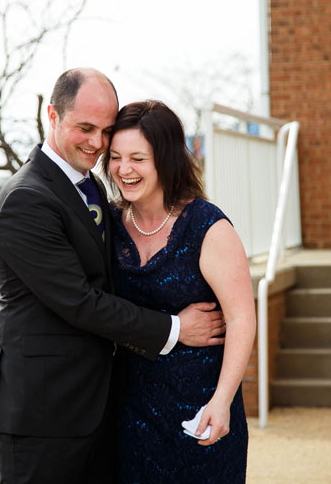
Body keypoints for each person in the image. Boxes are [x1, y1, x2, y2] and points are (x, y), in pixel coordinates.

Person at [0, 68, 227, 484]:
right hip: (43, 411)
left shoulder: (90, 186)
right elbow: (80, 301)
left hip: (98, 405)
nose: (96, 143)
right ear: (52, 116)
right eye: (85, 127)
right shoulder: (27, 198)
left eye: (106, 131)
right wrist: (175, 328)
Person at [105, 100, 255, 483]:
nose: (124, 169)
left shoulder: (207, 226)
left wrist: (221, 402)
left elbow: (241, 318)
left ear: (166, 159)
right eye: (116, 157)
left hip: (201, 410)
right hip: (129, 414)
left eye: (138, 158)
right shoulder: (107, 223)